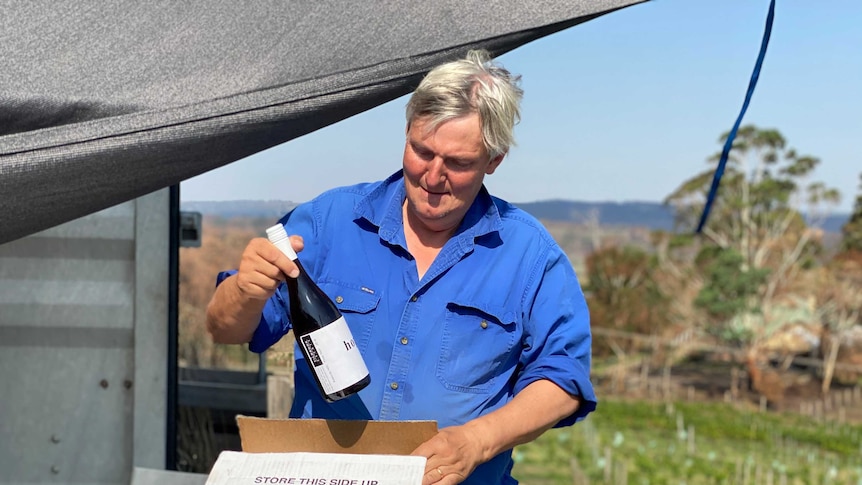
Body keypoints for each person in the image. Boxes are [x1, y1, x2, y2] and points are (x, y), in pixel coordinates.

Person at [206, 49, 596, 485]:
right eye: (421, 150)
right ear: (407, 131)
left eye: (458, 163)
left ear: (494, 161)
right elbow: (227, 329)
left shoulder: (530, 255)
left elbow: (564, 379)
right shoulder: (326, 222)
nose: (432, 175)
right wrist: (244, 291)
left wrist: (477, 441)